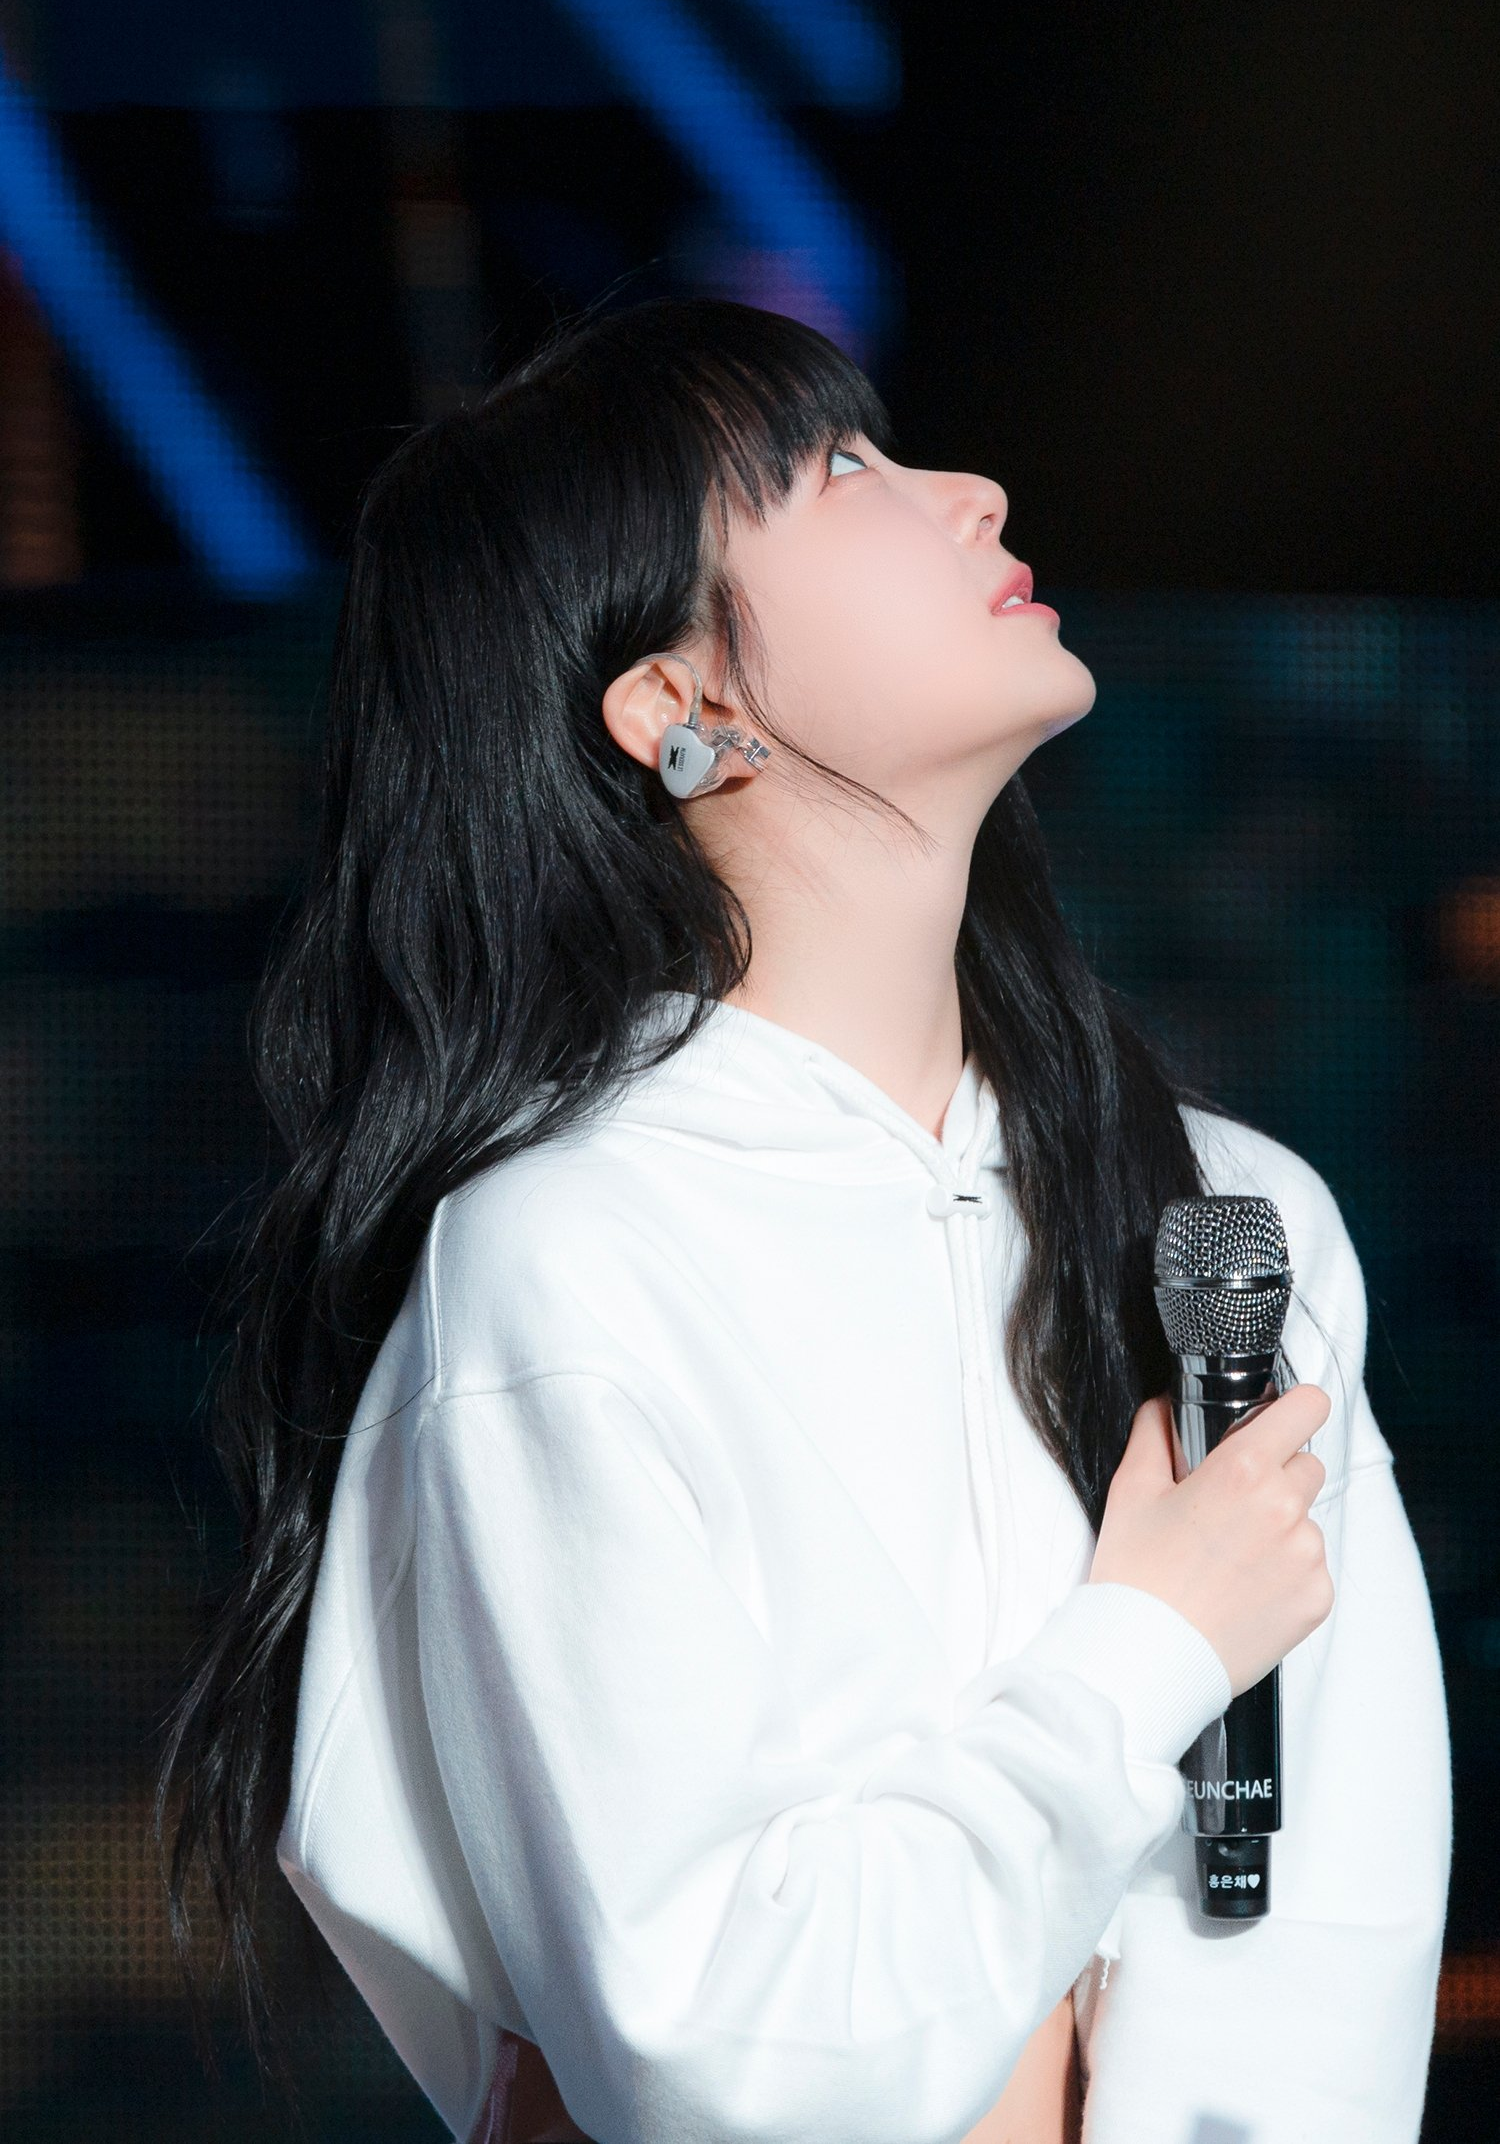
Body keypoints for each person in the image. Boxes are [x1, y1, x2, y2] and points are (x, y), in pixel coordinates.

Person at [156, 297, 1451, 2144]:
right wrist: (1151, 1642)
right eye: (839, 470)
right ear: (679, 707)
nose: (973, 491)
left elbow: (1331, 1952)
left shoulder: (1231, 1215)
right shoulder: (569, 1258)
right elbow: (721, 2054)